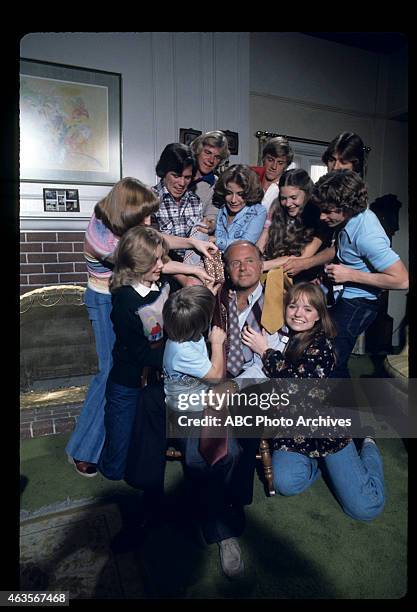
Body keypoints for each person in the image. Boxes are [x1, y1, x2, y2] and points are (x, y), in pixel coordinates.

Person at [66, 178, 218, 477]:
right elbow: (149, 261)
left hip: (125, 292)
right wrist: (190, 268)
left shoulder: (116, 218)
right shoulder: (103, 240)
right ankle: (83, 450)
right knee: (111, 371)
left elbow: (154, 239)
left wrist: (192, 243)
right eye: (144, 216)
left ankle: (117, 442)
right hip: (105, 299)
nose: (149, 222)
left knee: (126, 373)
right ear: (125, 213)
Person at [241, 282, 386, 521]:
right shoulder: (286, 336)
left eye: (308, 309)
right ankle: (320, 465)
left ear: (319, 314)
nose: (298, 313)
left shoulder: (322, 345)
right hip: (295, 430)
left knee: (366, 508)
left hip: (327, 433)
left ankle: (368, 444)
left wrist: (265, 351)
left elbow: (295, 385)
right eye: (293, 306)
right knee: (286, 483)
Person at [162, 286, 246, 578]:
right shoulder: (181, 349)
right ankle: (223, 533)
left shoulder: (183, 328)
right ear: (200, 326)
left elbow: (192, 301)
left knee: (232, 453)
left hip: (207, 405)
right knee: (201, 462)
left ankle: (217, 506)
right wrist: (218, 343)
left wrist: (207, 292)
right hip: (187, 413)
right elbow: (216, 376)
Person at [313, 170, 408, 378]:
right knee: (326, 354)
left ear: (347, 208)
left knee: (333, 361)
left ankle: (341, 408)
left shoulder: (367, 235)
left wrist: (349, 275)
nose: (322, 216)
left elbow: (402, 280)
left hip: (360, 303)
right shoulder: (346, 220)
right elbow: (341, 250)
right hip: (346, 295)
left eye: (328, 211)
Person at [98, 226, 170, 480]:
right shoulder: (125, 300)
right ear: (137, 263)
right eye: (155, 260)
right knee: (117, 460)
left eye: (162, 258)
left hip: (154, 379)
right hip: (127, 382)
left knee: (144, 446)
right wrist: (178, 357)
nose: (162, 265)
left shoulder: (161, 285)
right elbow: (141, 354)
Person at [281, 132, 368, 280]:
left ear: (355, 165)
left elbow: (340, 246)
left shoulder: (356, 200)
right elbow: (320, 236)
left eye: (343, 161)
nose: (335, 167)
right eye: (332, 160)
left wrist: (306, 263)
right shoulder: (323, 191)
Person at [258, 168, 332, 282]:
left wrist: (260, 266)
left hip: (302, 281)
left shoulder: (319, 216)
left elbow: (301, 258)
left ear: (307, 193)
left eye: (293, 198)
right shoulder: (276, 207)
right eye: (283, 198)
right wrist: (252, 260)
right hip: (272, 274)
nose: (287, 204)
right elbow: (262, 241)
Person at [213, 165, 267, 252]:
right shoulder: (222, 207)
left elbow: (245, 245)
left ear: (249, 192)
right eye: (229, 193)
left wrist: (215, 241)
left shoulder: (258, 211)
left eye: (240, 194)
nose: (233, 200)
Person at [190, 130, 230, 232]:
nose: (211, 160)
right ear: (197, 151)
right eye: (207, 152)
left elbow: (213, 216)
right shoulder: (180, 175)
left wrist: (209, 224)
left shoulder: (217, 184)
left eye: (217, 157)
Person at [251, 136, 294, 212]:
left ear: (286, 165)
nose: (274, 167)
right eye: (270, 160)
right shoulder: (251, 178)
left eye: (280, 163)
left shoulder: (288, 189)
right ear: (264, 159)